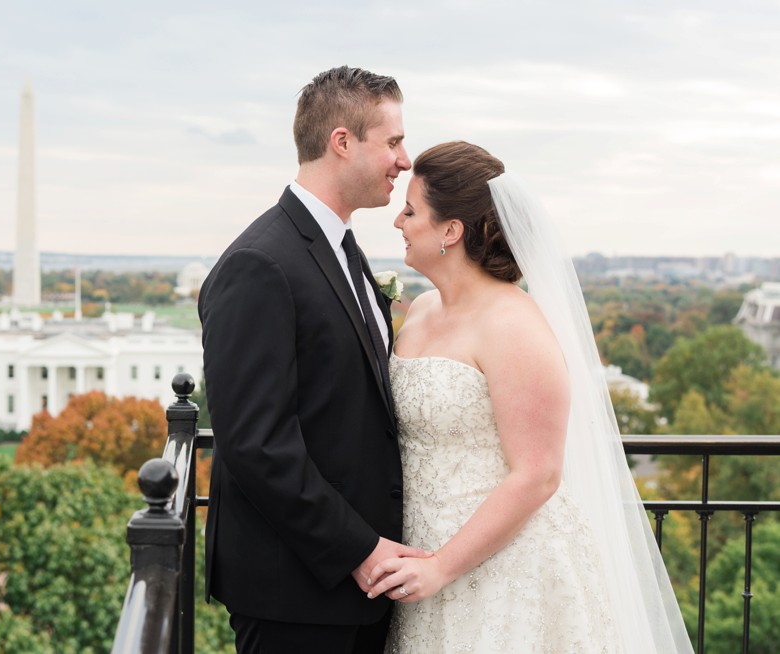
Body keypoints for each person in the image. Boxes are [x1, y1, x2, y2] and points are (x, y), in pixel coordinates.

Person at [367, 141, 693, 653]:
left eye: (411, 211)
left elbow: (538, 473)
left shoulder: (514, 326)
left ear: (451, 231)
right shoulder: (424, 309)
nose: (398, 223)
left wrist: (441, 566)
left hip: (503, 567)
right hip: (421, 552)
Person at [198, 66, 430, 654]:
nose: (405, 162)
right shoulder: (260, 263)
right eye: (395, 142)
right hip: (295, 594)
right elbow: (256, 444)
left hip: (357, 590)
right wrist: (359, 549)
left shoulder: (342, 247)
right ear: (343, 142)